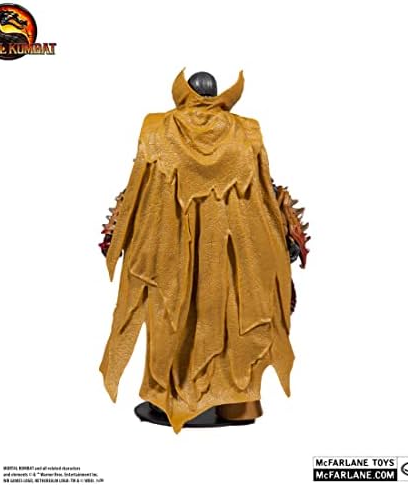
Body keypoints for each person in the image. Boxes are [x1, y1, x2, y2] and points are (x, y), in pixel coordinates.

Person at [99, 69, 309, 433]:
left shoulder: (156, 128)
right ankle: (239, 405)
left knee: (172, 318)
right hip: (236, 247)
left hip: (169, 245)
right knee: (236, 317)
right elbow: (266, 190)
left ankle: (167, 399)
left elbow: (137, 188)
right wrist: (282, 242)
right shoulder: (247, 130)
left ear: (182, 93)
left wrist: (119, 232)